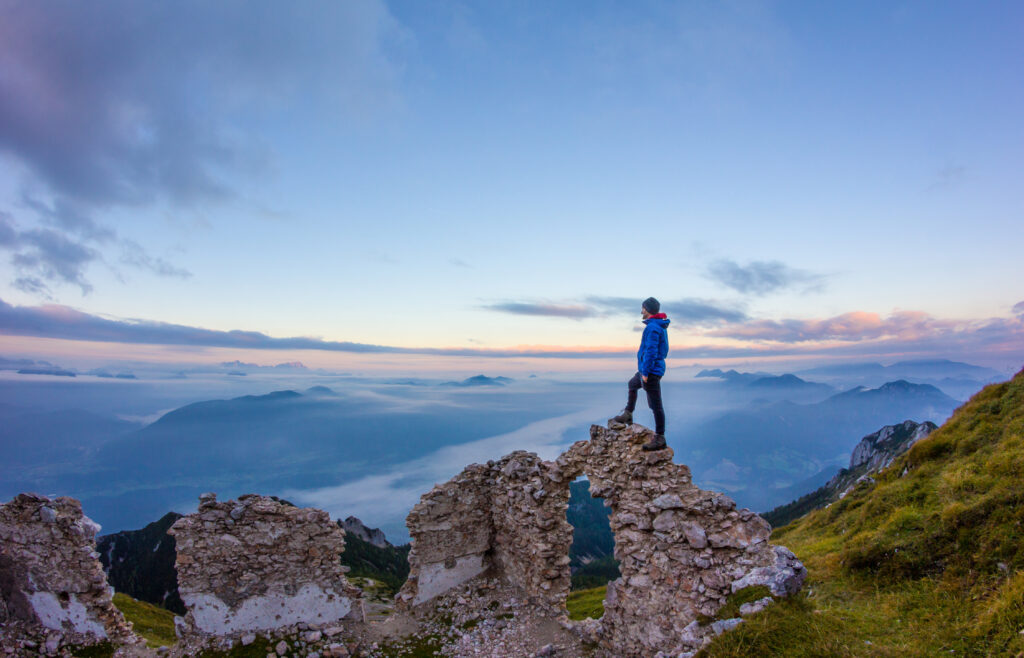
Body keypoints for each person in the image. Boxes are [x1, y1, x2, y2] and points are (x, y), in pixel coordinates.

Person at [612, 297, 669, 451]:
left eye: (643, 308)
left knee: (656, 405)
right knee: (632, 384)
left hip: (650, 371)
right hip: (648, 369)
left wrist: (645, 372)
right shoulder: (658, 326)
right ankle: (628, 413)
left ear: (647, 309)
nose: (641, 311)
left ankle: (660, 437)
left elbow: (651, 351)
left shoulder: (653, 328)